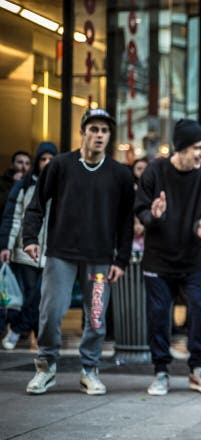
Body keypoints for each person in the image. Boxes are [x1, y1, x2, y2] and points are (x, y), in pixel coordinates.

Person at [22, 109, 134, 395]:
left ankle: (90, 369)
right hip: (61, 253)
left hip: (99, 257)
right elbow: (36, 204)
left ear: (109, 136)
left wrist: (120, 259)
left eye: (104, 131)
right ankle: (46, 367)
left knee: (96, 317)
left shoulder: (120, 174)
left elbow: (125, 221)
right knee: (50, 311)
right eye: (93, 129)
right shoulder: (60, 166)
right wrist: (30, 238)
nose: (99, 135)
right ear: (83, 132)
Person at [134, 118, 201, 396]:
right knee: (159, 314)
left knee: (199, 309)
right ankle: (161, 371)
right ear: (180, 148)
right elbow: (141, 210)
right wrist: (154, 216)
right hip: (158, 260)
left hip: (192, 259)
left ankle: (198, 369)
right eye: (198, 147)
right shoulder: (154, 172)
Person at [0, 142, 56, 350]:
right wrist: (6, 245)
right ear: (37, 162)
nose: (47, 163)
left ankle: (17, 329)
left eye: (51, 159)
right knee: (33, 293)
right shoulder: (24, 185)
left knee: (42, 294)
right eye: (43, 159)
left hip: (52, 251)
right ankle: (37, 336)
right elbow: (13, 217)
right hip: (27, 249)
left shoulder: (61, 185)